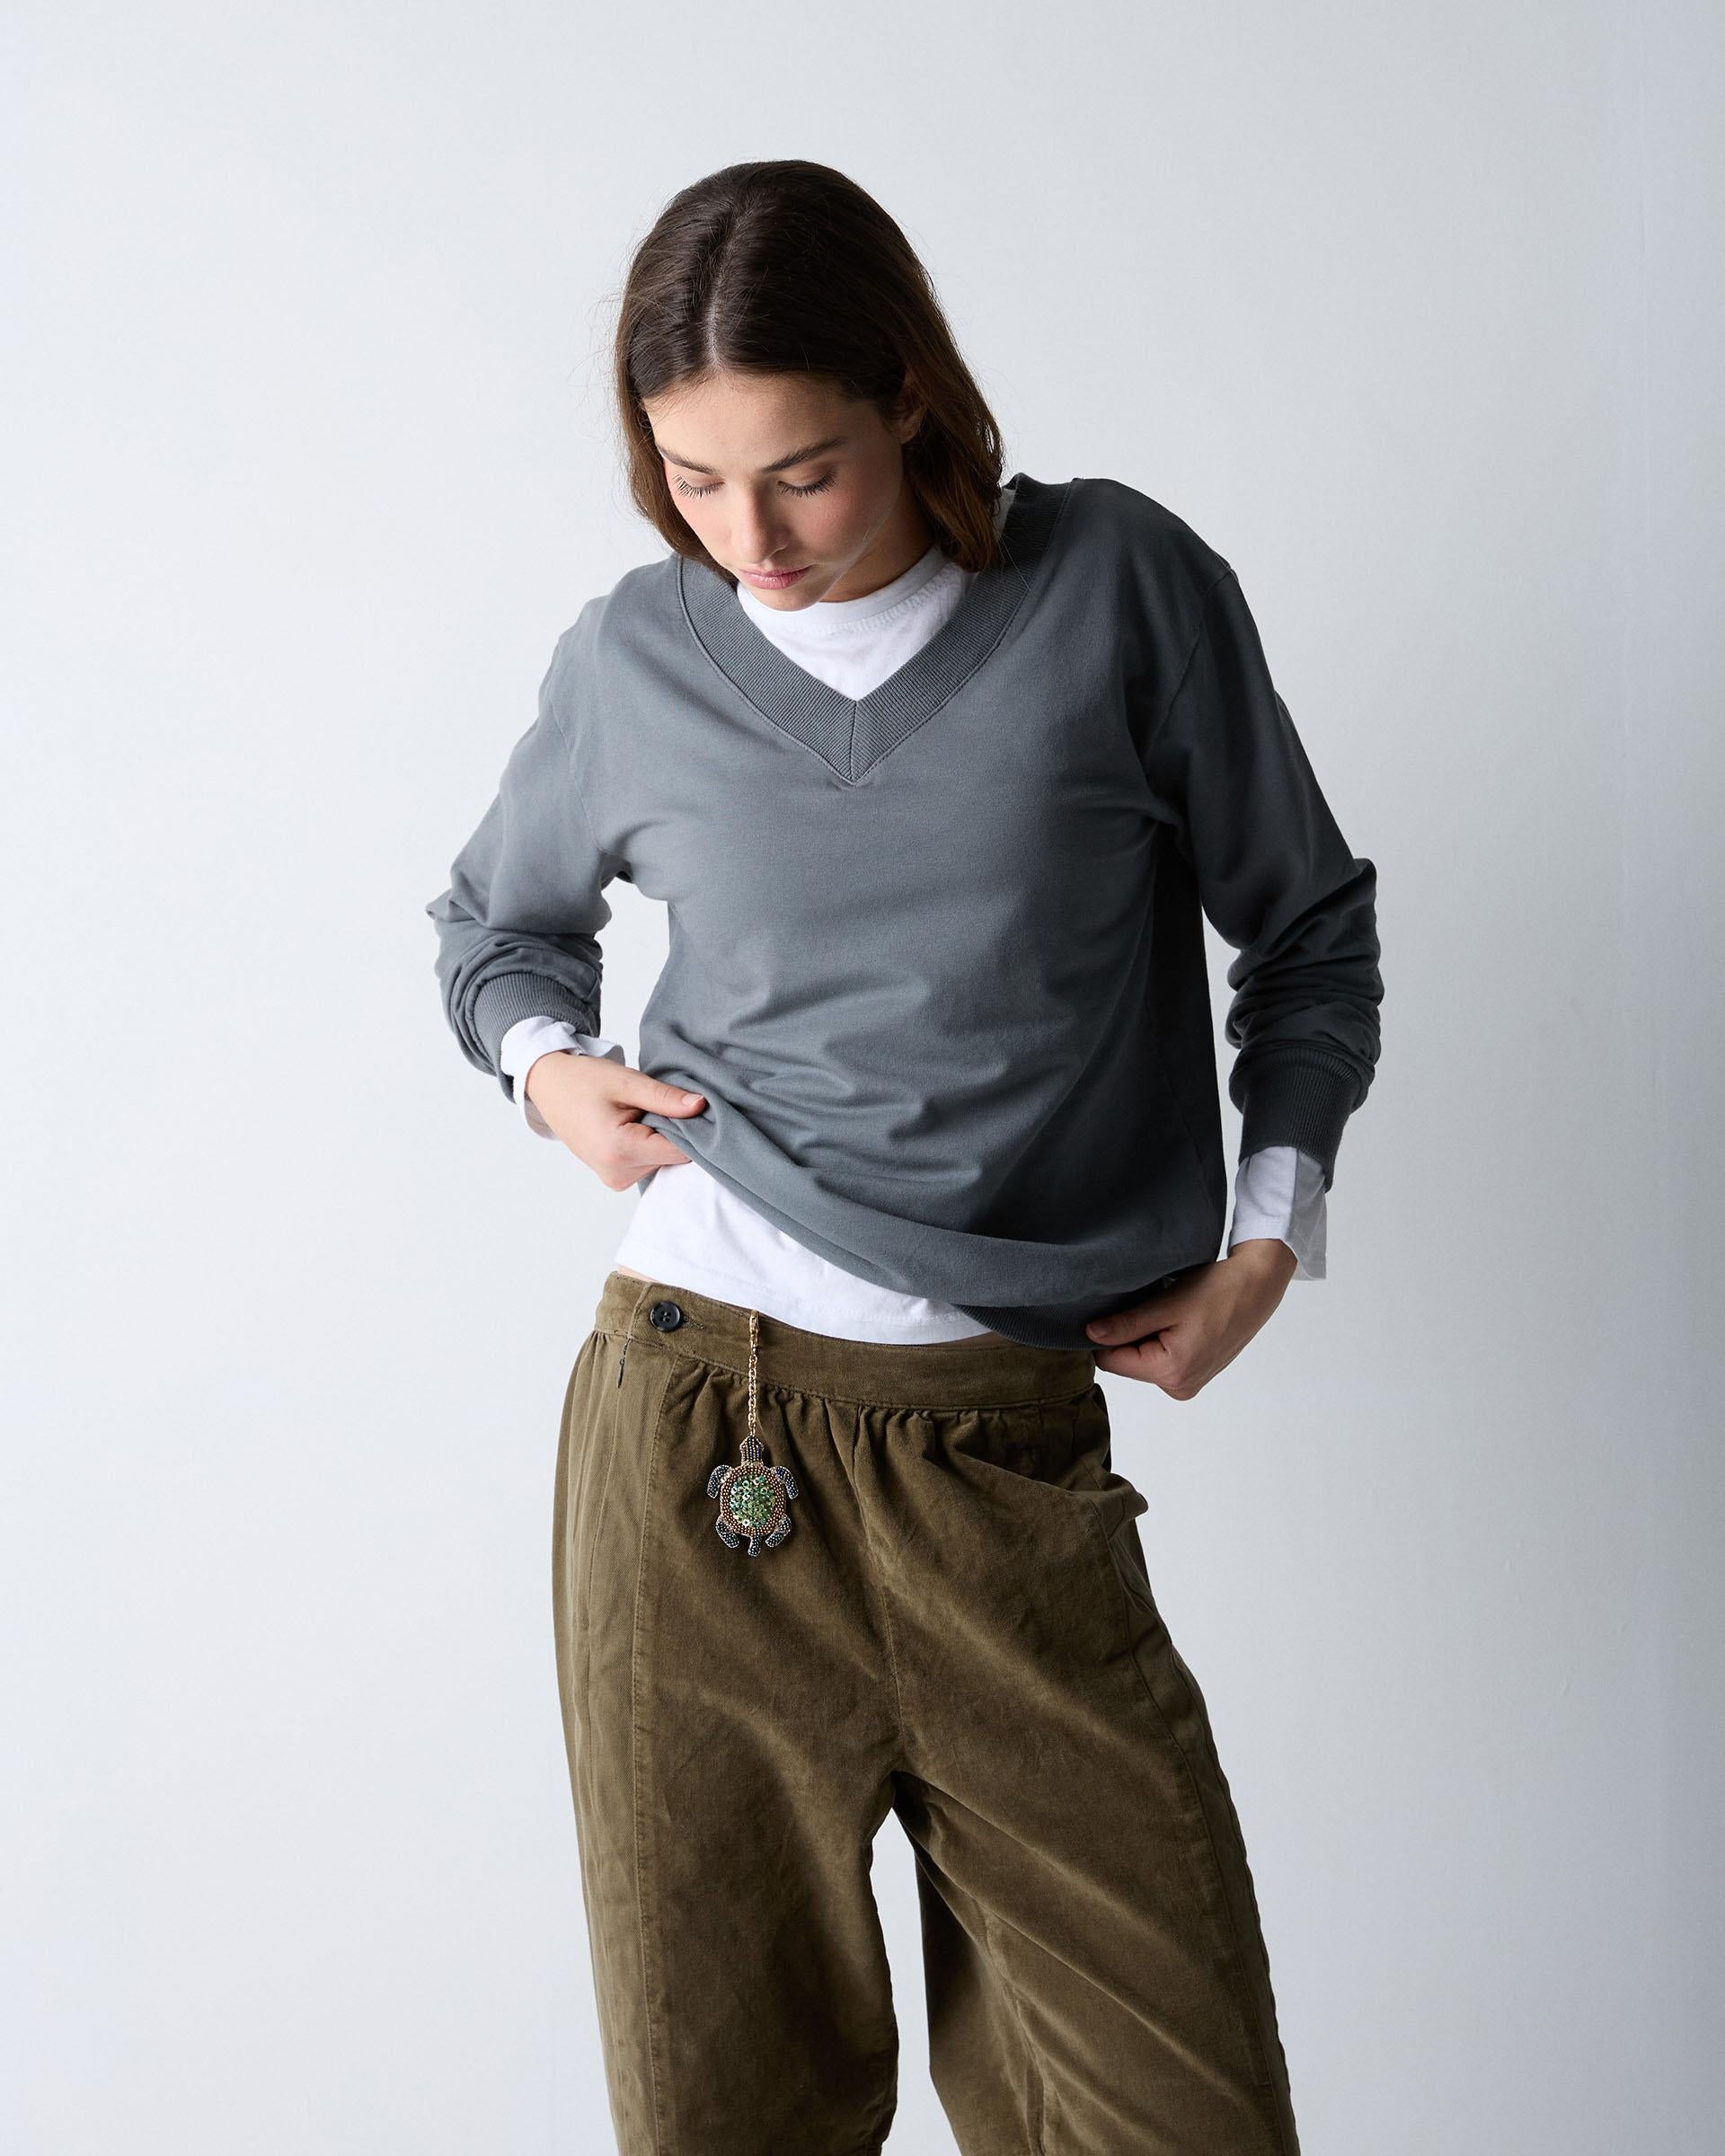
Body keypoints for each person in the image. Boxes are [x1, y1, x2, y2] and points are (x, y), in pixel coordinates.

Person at [425, 158, 1381, 2156]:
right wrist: (545, 1071)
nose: (750, 541)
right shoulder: (635, 657)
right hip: (695, 1425)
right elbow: (497, 927)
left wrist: (1271, 1233)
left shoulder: (1117, 588)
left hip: (1002, 1448)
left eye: (802, 473)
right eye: (693, 481)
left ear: (914, 406)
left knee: (1180, 2109)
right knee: (728, 2113)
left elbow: (1305, 926)